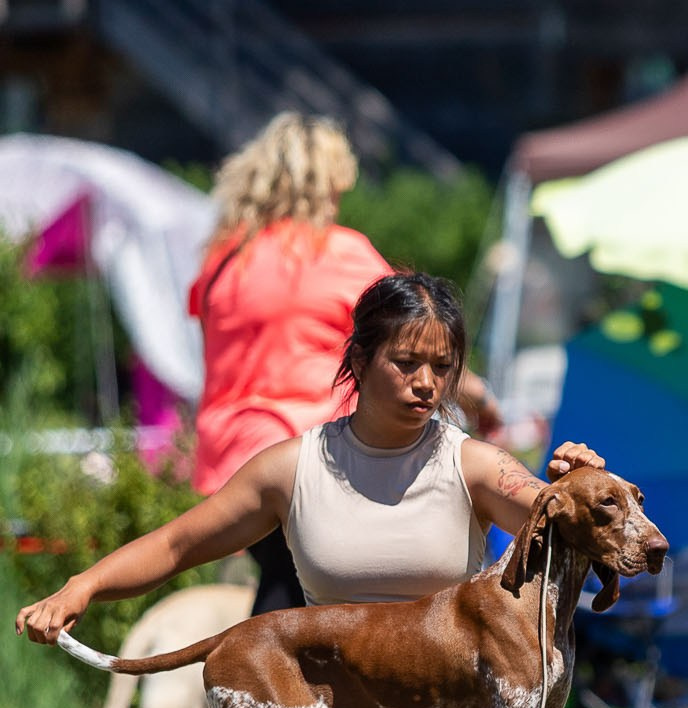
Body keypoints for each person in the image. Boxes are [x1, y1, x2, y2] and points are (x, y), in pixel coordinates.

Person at [18, 272, 598, 708]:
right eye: (404, 362)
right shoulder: (292, 468)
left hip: (454, 705)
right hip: (344, 699)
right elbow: (177, 543)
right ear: (360, 356)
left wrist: (575, 483)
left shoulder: (474, 464)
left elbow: (562, 519)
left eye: (442, 366)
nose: (426, 383)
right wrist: (79, 587)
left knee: (497, 690)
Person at [189, 112, 501, 621]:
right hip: (306, 457)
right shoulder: (336, 253)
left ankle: (272, 692)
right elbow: (411, 336)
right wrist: (482, 400)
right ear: (324, 186)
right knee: (297, 603)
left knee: (283, 585)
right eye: (338, 189)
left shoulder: (223, 261)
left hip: (230, 457)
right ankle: (271, 697)